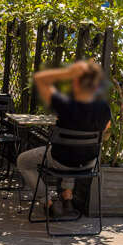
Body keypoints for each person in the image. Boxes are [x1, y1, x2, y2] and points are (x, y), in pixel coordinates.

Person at [16, 60, 111, 215]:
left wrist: (68, 72)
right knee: (76, 150)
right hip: (88, 162)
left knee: (23, 161)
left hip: (61, 160)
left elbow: (40, 78)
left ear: (76, 83)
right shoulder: (104, 108)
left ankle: (47, 201)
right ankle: (67, 197)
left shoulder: (64, 104)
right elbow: (106, 129)